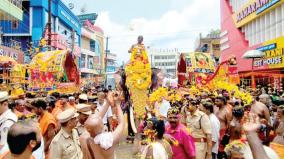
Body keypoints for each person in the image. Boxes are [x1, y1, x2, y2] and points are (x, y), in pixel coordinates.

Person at [84, 91, 125, 159]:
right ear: (102, 126)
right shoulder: (109, 140)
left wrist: (108, 103)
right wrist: (118, 104)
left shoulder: (86, 138)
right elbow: (121, 123)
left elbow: (95, 122)